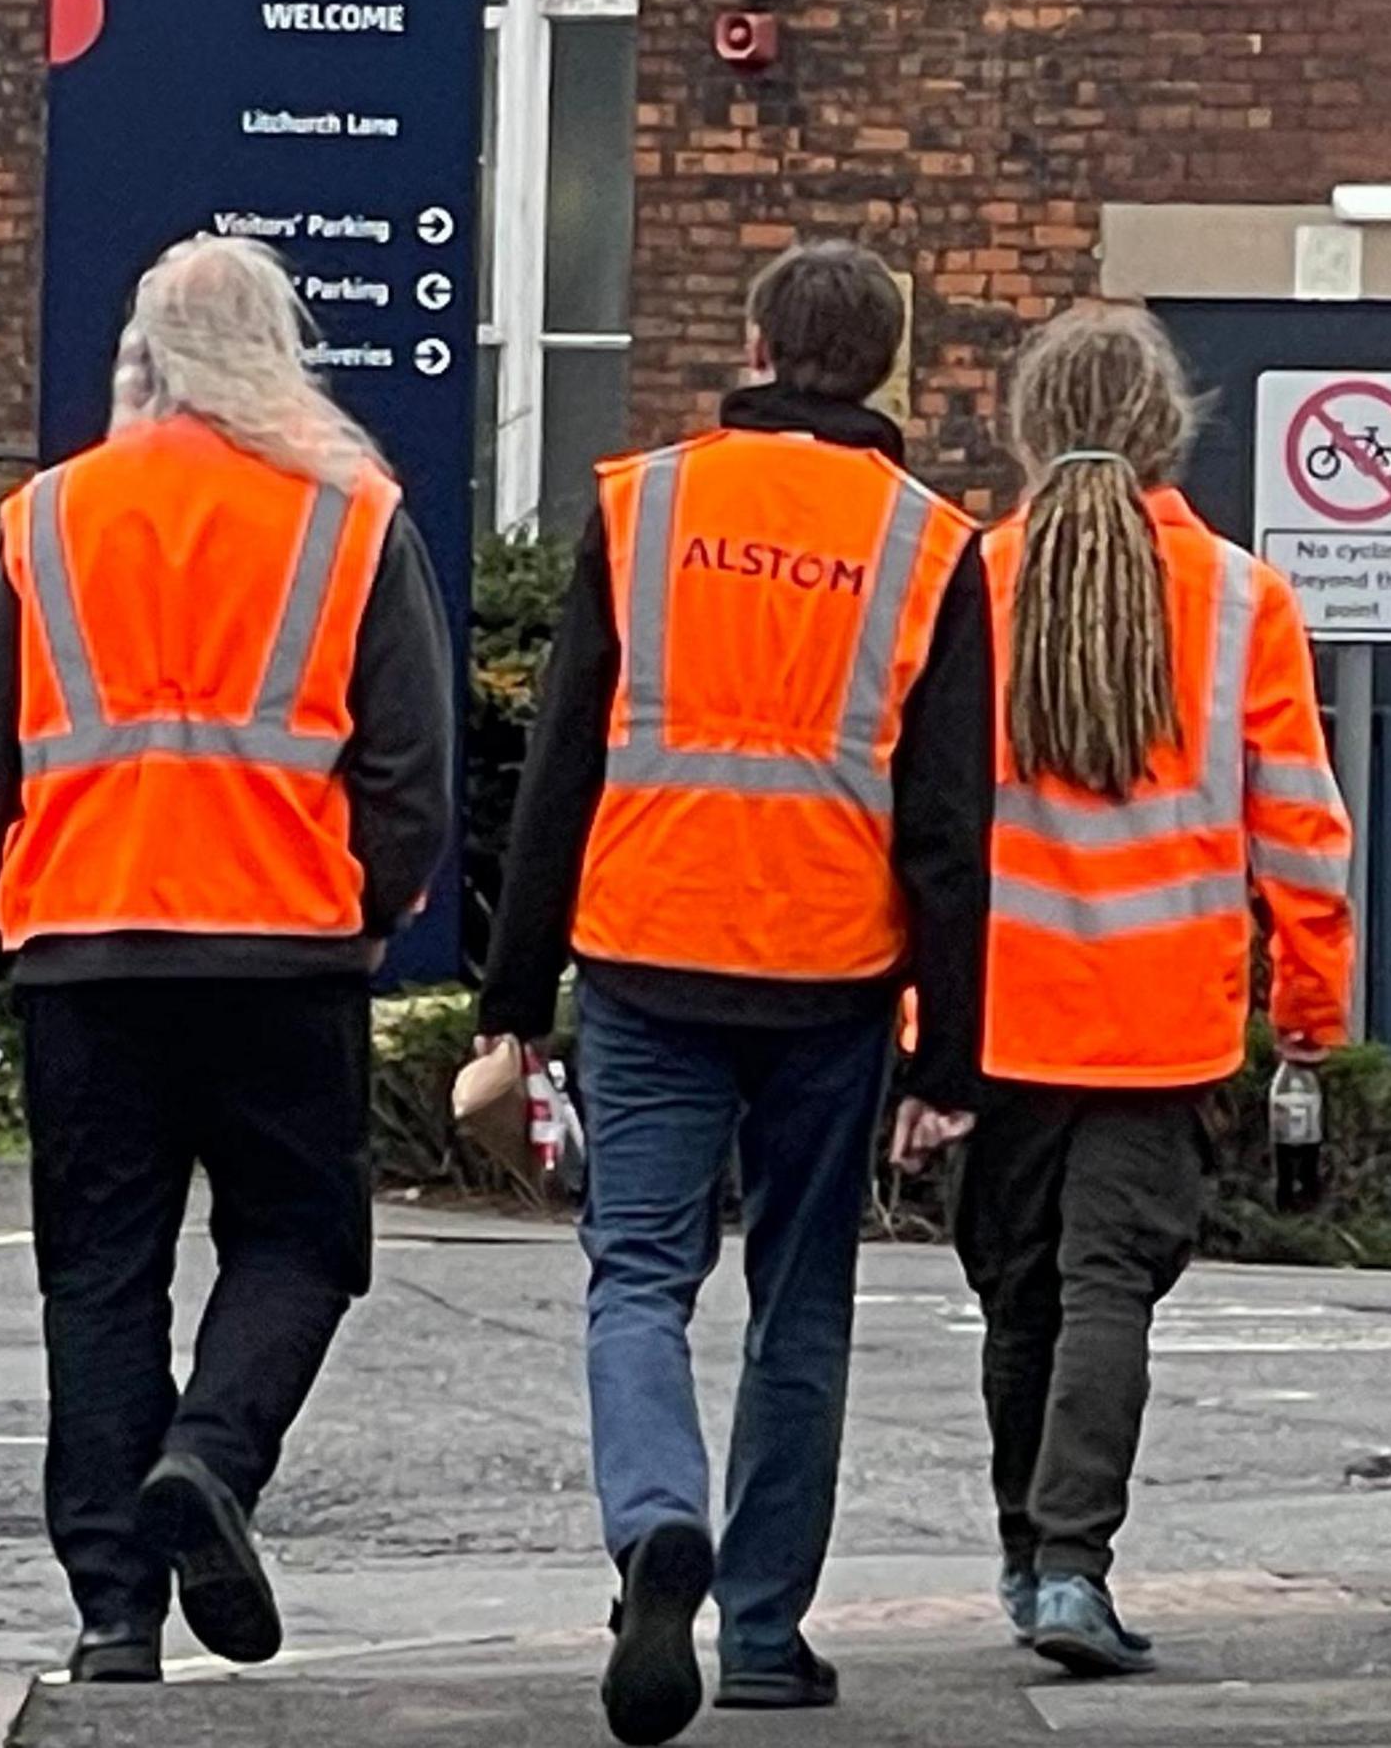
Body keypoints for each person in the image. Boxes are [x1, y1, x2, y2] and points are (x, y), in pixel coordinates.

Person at [0, 235, 455, 1686]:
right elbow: (413, 767)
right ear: (281, 350)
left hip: (84, 955)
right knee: (301, 1243)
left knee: (100, 1276)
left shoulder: (56, 515)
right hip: (282, 951)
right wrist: (370, 906)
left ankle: (113, 1612)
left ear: (145, 350)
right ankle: (209, 1458)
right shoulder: (350, 516)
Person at [478, 241, 990, 1744]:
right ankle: (763, 1631)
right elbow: (951, 826)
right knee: (801, 1298)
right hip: (831, 974)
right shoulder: (930, 543)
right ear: (885, 368)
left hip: (644, 951)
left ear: (758, 341)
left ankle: (653, 1526)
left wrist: (512, 988)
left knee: (637, 1274)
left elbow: (560, 757)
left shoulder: (642, 504)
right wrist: (948, 1053)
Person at [944, 306, 1354, 1677]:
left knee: (1019, 1296)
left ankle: (1022, 1551)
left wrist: (904, 1023)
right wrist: (1309, 1013)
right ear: (1168, 425)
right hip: (1160, 1018)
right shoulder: (1241, 596)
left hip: (1000, 1014)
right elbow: (1301, 827)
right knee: (1107, 1286)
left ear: (1027, 423)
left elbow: (919, 823)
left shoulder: (972, 582)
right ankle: (1073, 1570)